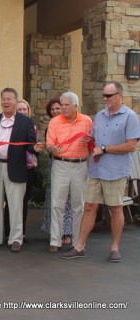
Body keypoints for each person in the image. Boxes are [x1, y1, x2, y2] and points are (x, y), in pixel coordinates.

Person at [63, 82, 140, 262]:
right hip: (96, 169)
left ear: (119, 95)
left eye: (109, 96)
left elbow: (131, 145)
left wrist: (105, 149)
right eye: (104, 95)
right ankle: (79, 246)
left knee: (115, 208)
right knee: (89, 207)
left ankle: (114, 248)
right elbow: (96, 140)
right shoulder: (100, 115)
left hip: (115, 170)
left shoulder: (130, 117)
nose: (105, 99)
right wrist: (89, 140)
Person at [0, 88, 41, 253]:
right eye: (3, 99)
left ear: (16, 101)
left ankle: (16, 239)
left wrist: (36, 148)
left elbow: (30, 144)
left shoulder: (26, 122)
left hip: (16, 168)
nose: (6, 102)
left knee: (16, 206)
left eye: (9, 99)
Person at [4, 99, 39, 243]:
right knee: (9, 202)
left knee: (23, 202)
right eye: (20, 109)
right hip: (12, 166)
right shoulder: (9, 126)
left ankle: (21, 233)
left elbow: (33, 146)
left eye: (25, 109)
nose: (23, 112)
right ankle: (7, 232)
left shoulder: (32, 126)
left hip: (28, 168)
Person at [41, 99, 74, 245]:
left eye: (57, 108)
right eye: (52, 110)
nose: (55, 111)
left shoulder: (69, 125)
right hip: (53, 164)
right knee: (53, 199)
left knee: (67, 201)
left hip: (69, 164)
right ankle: (54, 232)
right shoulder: (51, 126)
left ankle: (67, 232)